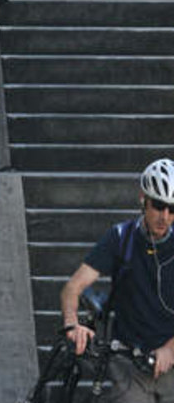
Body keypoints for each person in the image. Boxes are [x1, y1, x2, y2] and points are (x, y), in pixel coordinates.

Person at [60, 158, 174, 400]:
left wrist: (169, 349)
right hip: (129, 363)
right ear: (143, 199)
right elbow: (72, 288)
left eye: (173, 209)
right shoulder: (121, 238)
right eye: (158, 205)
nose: (165, 216)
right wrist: (72, 325)